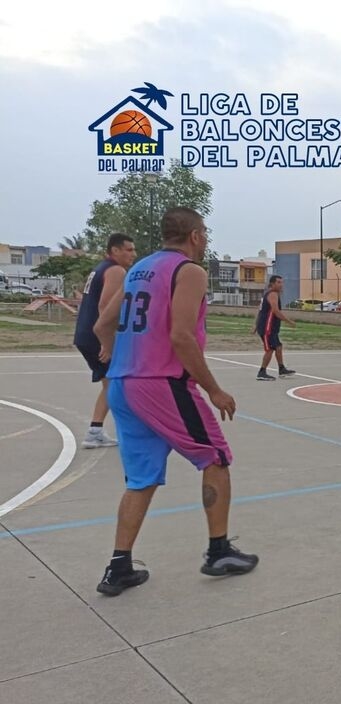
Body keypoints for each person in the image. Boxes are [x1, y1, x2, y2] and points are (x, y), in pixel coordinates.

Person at [92, 207, 258, 596]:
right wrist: (214, 389)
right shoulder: (189, 271)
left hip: (123, 385)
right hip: (162, 384)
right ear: (195, 236)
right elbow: (181, 336)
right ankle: (218, 551)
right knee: (215, 458)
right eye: (204, 234)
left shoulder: (138, 269)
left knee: (141, 479)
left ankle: (119, 567)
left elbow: (102, 324)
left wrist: (115, 353)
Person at [73, 233, 136, 448]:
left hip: (85, 334)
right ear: (115, 250)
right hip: (97, 336)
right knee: (119, 384)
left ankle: (95, 431)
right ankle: (130, 431)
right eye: (129, 250)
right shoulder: (116, 271)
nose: (133, 254)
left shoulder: (100, 268)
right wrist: (106, 342)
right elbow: (105, 306)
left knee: (111, 383)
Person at [254, 274, 296, 380]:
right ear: (272, 284)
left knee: (278, 346)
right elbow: (275, 311)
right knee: (270, 349)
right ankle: (262, 372)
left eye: (282, 282)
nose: (281, 285)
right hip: (267, 328)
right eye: (278, 282)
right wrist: (289, 321)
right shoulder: (273, 294)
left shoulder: (269, 294)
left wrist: (255, 325)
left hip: (270, 327)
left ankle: (281, 369)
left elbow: (260, 311)